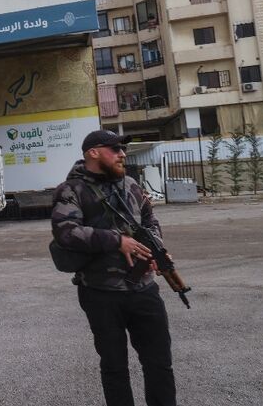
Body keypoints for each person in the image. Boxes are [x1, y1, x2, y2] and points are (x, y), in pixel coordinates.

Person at [51, 130, 177, 406]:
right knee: (115, 367)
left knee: (160, 365)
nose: (122, 154)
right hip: (101, 293)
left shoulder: (130, 184)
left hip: (144, 289)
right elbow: (66, 232)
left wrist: (154, 248)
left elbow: (149, 219)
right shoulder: (71, 190)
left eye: (123, 149)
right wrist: (117, 241)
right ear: (93, 153)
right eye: (115, 149)